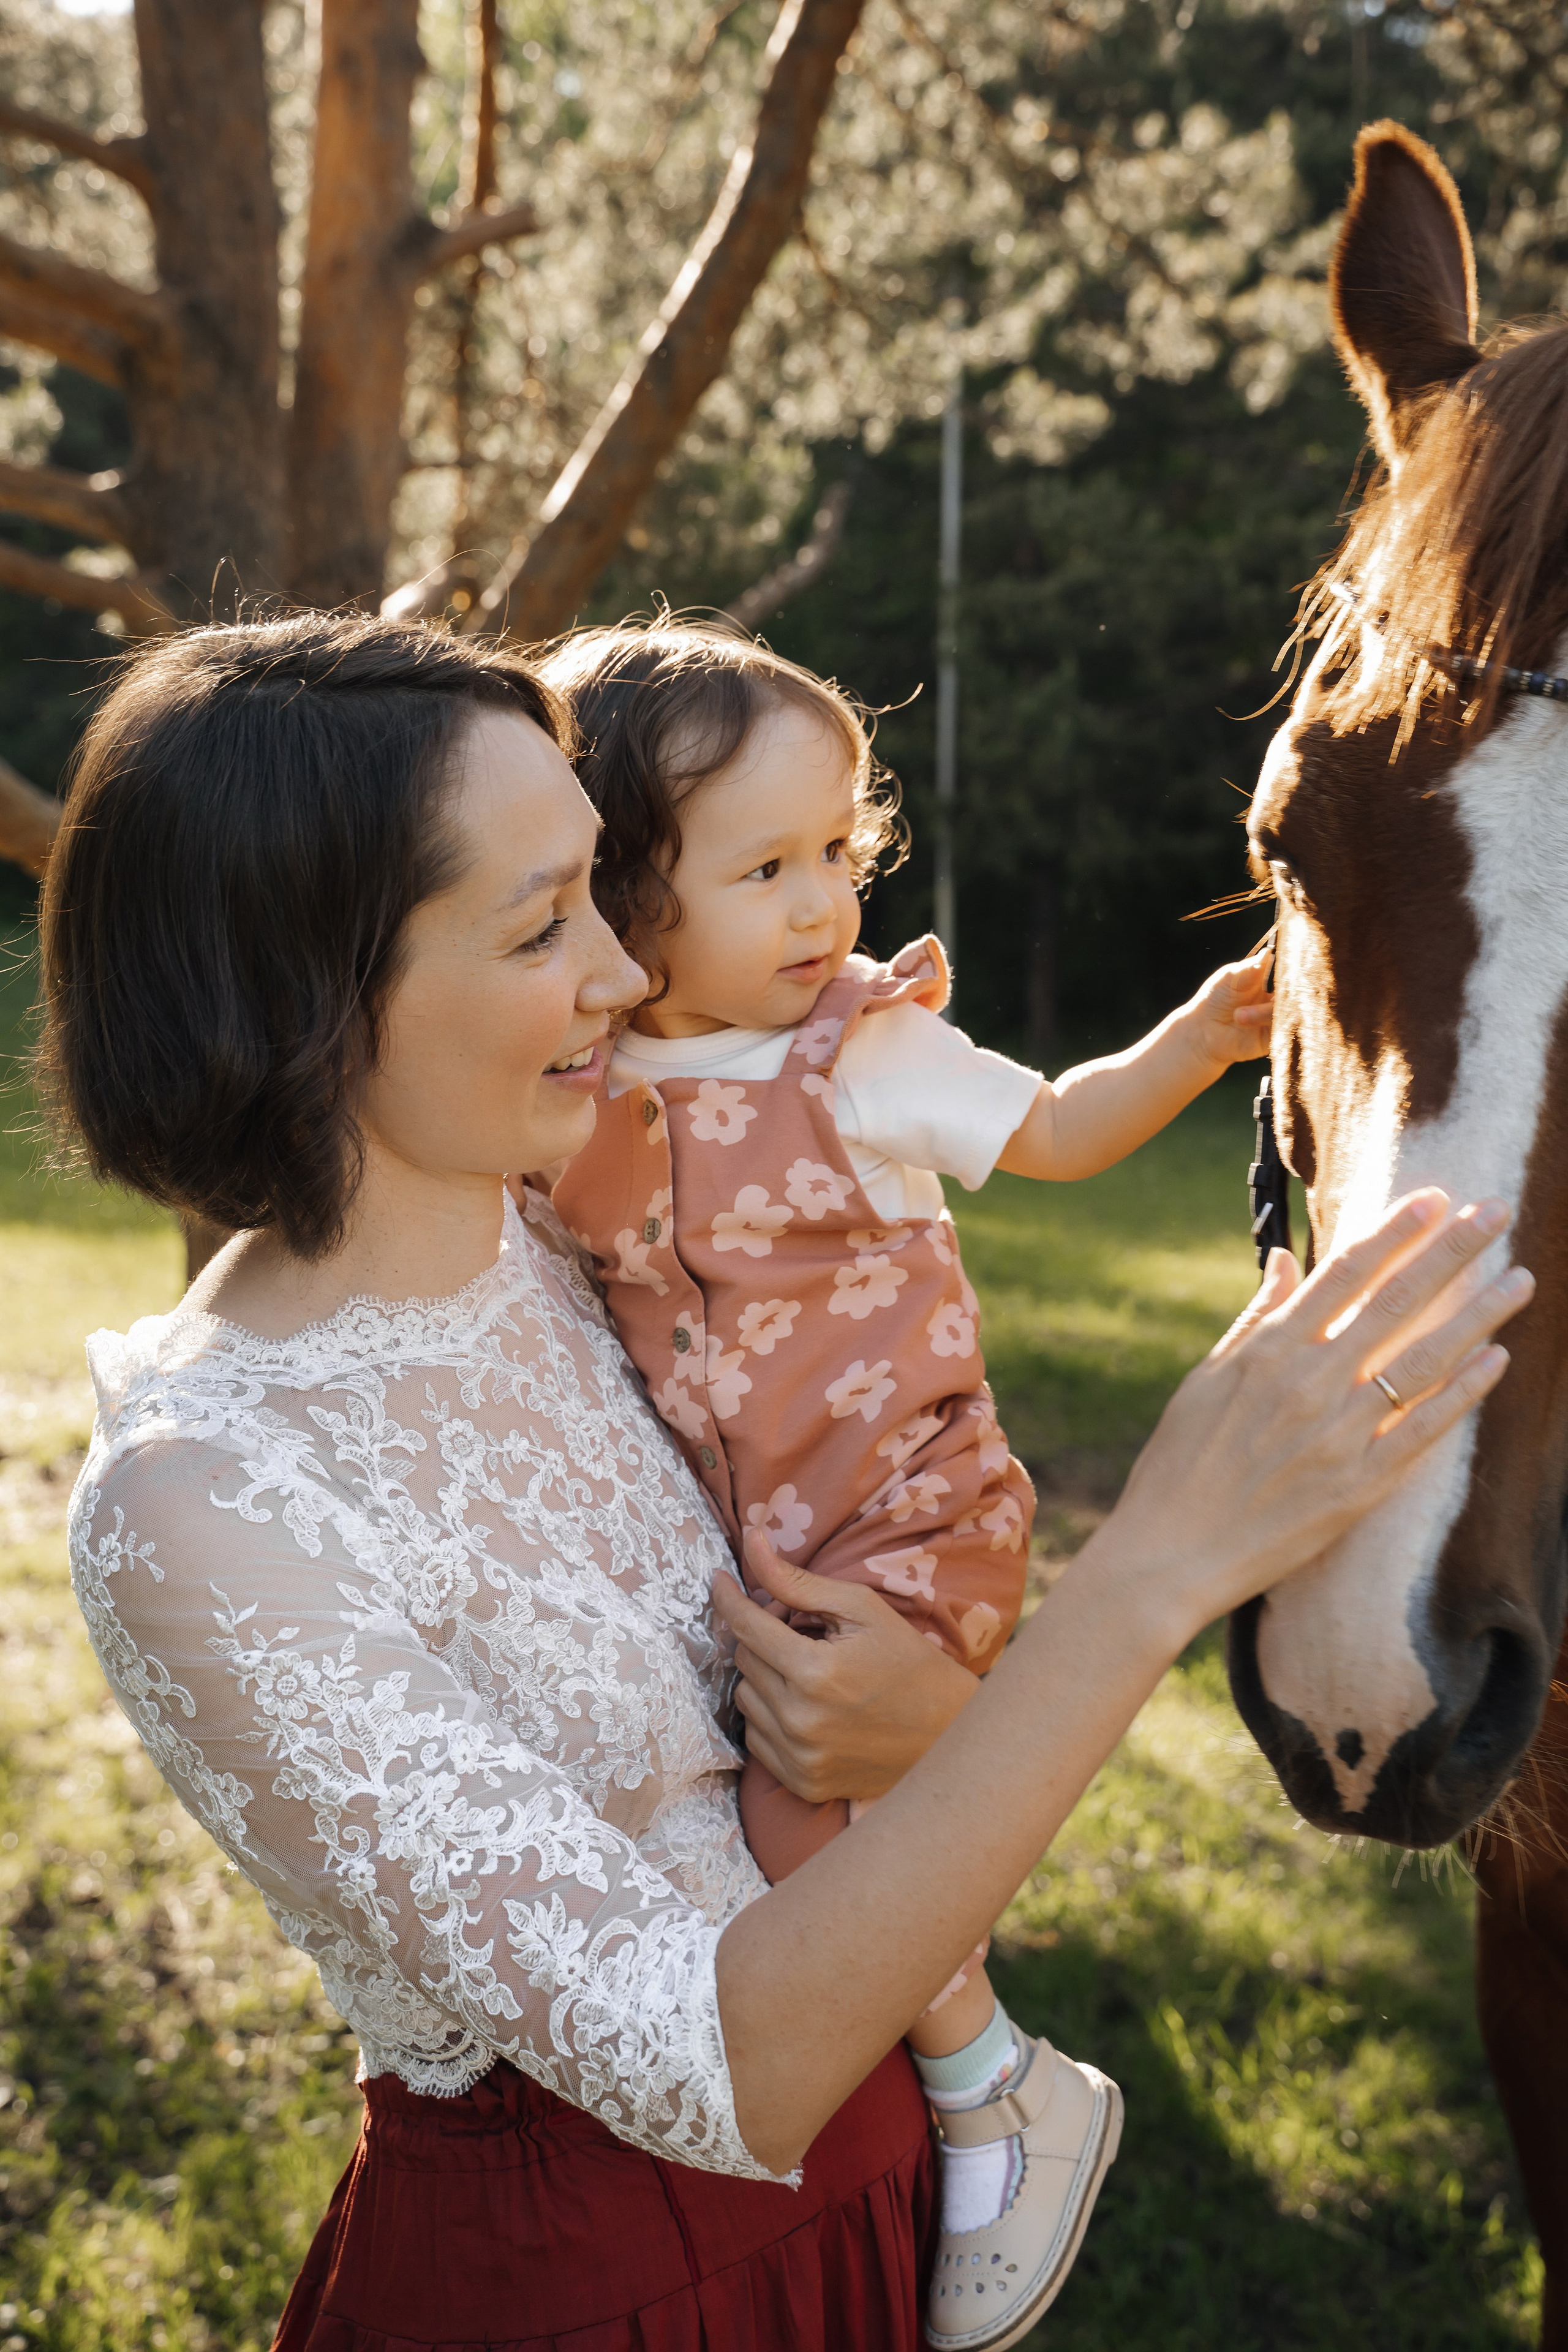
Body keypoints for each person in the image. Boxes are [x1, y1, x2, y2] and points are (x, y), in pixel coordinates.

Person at [42, 613, 1528, 2352]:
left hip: (884, 2215)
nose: (621, 972)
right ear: (300, 995)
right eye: (543, 925)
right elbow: (718, 2070)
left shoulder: (586, 1241)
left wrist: (930, 1726)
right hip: (600, 2303)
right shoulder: (203, 1501)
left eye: (609, 889)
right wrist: (1151, 1573)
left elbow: (852, 1801)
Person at [537, 614, 1276, 2339]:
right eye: (764, 869)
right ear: (621, 895)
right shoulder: (582, 1081)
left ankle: (994, 2079)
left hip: (902, 1514)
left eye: (836, 856)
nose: (820, 907)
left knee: (803, 1819)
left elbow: (1064, 1131)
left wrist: (1196, 1039)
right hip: (754, 1538)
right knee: (759, 1800)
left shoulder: (858, 1055)